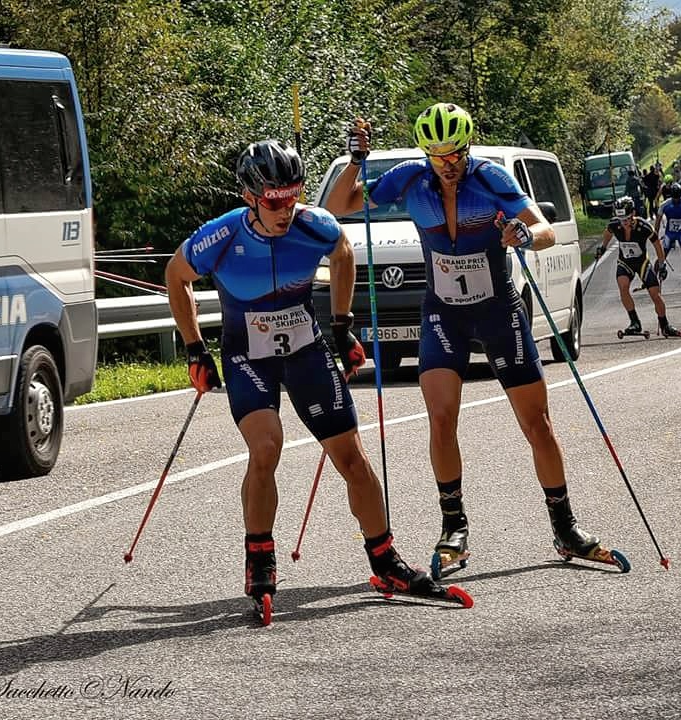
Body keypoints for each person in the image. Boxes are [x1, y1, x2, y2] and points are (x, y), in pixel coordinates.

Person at [165, 140, 462, 615]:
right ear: (250, 196)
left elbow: (343, 252)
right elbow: (175, 275)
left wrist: (342, 328)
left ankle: (385, 559)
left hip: (306, 350)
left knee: (351, 456)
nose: (286, 209)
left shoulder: (314, 225)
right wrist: (195, 348)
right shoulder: (219, 236)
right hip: (249, 356)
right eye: (275, 200)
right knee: (266, 447)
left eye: (294, 194)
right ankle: (259, 558)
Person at [325, 103, 625, 573]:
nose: (446, 165)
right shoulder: (409, 178)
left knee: (538, 424)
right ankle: (454, 528)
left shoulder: (489, 179)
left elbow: (543, 229)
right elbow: (338, 207)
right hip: (444, 314)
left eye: (454, 155)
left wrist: (523, 236)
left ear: (467, 148)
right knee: (441, 419)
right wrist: (357, 162)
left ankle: (565, 526)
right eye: (436, 155)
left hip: (498, 311)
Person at [597, 196, 681, 338]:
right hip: (625, 262)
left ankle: (665, 325)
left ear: (633, 214)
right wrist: (603, 247)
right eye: (621, 220)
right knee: (623, 286)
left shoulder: (643, 226)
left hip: (642, 262)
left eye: (626, 219)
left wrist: (661, 265)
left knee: (655, 293)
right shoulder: (614, 224)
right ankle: (635, 322)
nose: (623, 223)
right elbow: (608, 232)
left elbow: (657, 244)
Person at [654, 183, 681, 292]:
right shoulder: (665, 205)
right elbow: (658, 221)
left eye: (678, 198)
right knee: (662, 256)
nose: (676, 200)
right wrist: (655, 235)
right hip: (670, 233)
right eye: (674, 198)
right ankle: (651, 280)